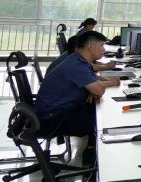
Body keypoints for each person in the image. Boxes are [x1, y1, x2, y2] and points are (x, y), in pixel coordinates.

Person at [35, 30, 119, 164]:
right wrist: (111, 83)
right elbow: (99, 90)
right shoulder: (76, 65)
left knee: (97, 110)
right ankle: (93, 161)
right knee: (103, 120)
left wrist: (92, 88)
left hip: (58, 111)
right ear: (90, 47)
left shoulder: (78, 60)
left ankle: (91, 154)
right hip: (53, 118)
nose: (104, 49)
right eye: (101, 45)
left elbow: (94, 81)